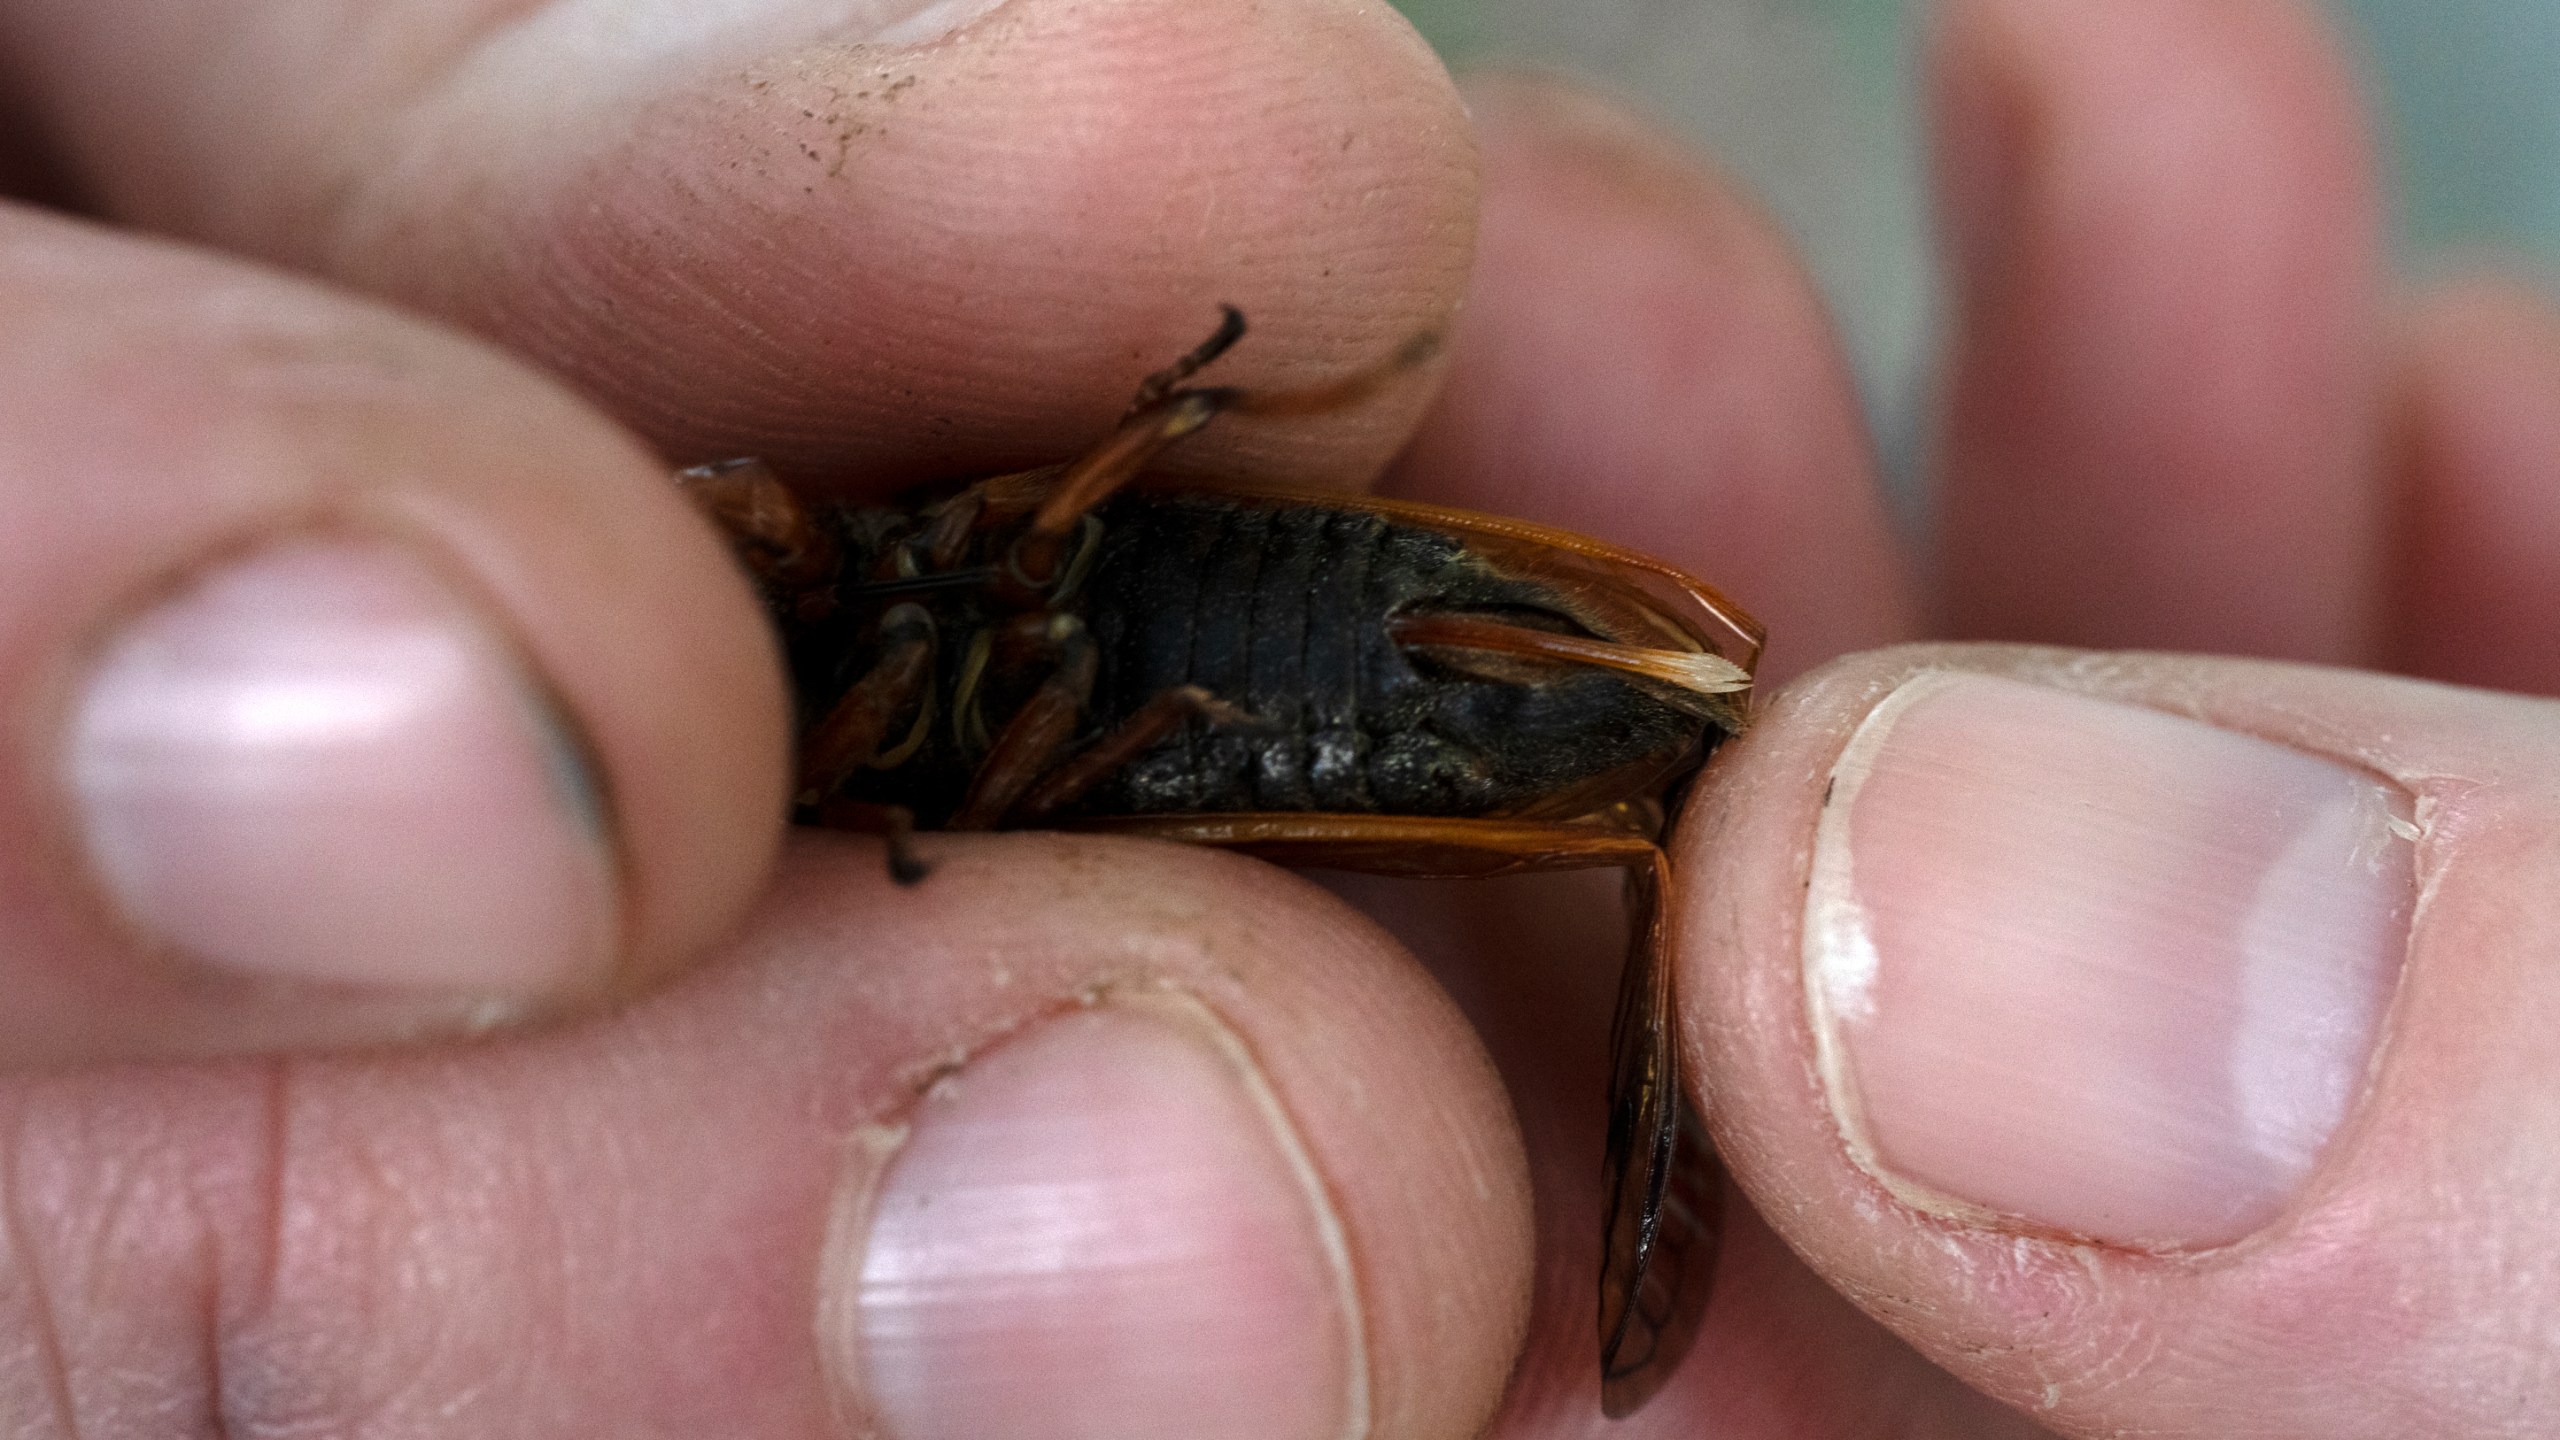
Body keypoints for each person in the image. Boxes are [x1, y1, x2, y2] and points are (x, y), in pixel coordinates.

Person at [0, 0, 2552, 1433]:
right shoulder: (798, 762)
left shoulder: (812, 561)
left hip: (1248, 630)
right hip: (1204, 737)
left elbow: (957, 551)